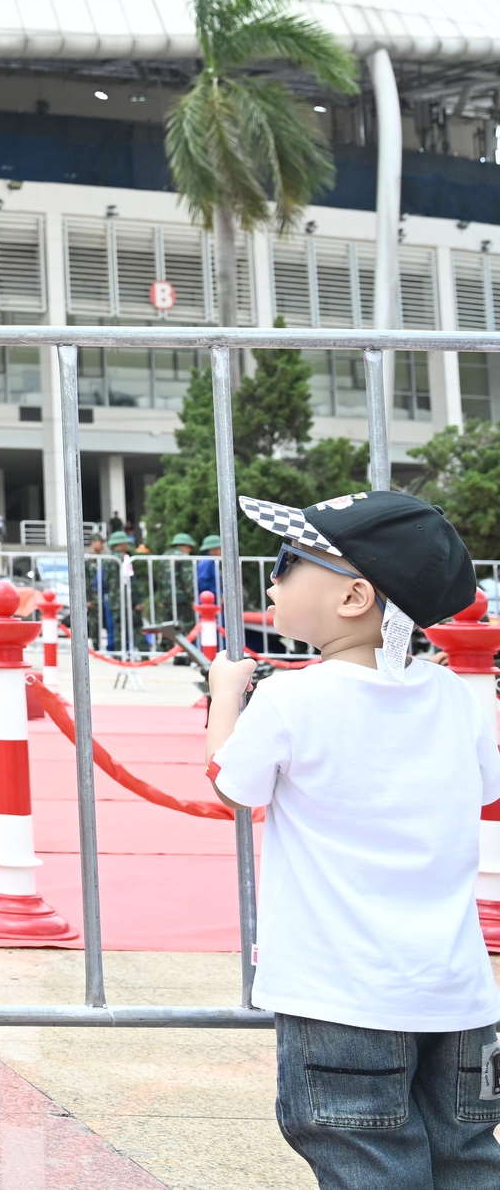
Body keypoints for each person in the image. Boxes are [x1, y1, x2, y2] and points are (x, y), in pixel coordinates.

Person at [208, 491, 500, 1186]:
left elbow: (230, 785)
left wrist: (227, 691)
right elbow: (484, 787)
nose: (273, 580)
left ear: (353, 596)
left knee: (367, 1161)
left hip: (340, 991)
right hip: (457, 992)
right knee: (468, 1161)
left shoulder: (292, 698)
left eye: (288, 562)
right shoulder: (462, 698)